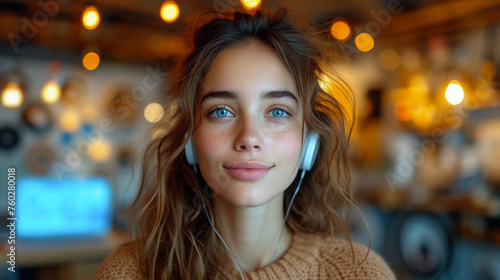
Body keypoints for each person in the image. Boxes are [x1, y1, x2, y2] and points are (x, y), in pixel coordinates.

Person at [95, 7, 395, 280]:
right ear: (189, 141)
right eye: (221, 112)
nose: (249, 138)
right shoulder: (129, 272)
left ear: (309, 143)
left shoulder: (361, 273)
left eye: (278, 112)